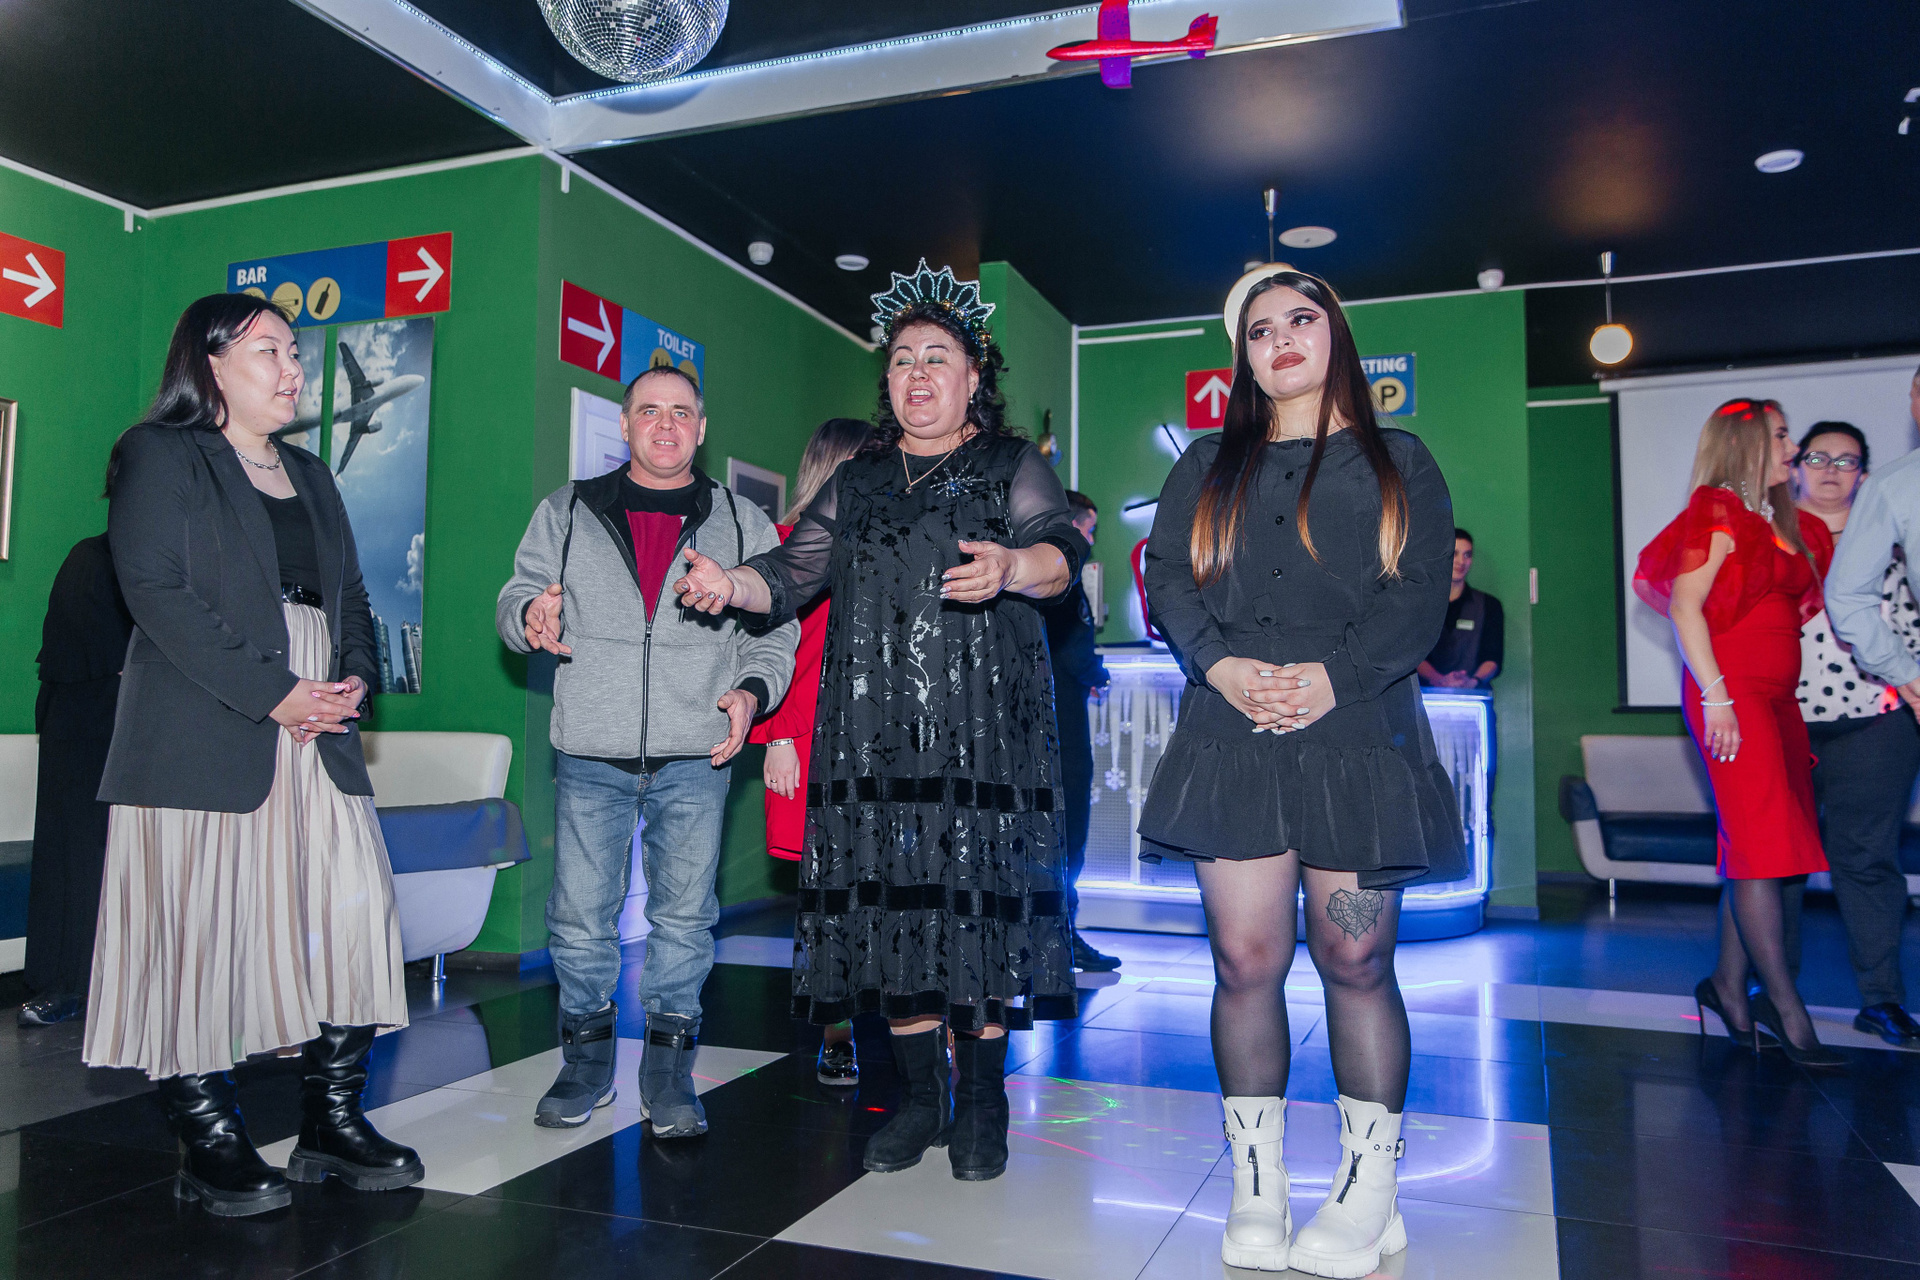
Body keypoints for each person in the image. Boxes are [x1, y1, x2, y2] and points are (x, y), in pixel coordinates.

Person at [673, 259, 1083, 1184]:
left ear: (974, 376)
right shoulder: (858, 480)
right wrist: (730, 583)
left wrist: (1015, 568)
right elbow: (792, 574)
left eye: (937, 358)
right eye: (902, 360)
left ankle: (983, 1102)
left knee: (974, 916)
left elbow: (1060, 550)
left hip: (983, 736)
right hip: (875, 735)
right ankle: (922, 1099)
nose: (918, 374)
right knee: (896, 916)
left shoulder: (1009, 465)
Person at [1140, 267, 1465, 1278]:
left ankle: (1371, 1190)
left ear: (1336, 336)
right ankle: (1258, 1185)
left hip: (1357, 744)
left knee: (1355, 955)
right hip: (1232, 742)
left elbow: (1420, 592)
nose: (1281, 338)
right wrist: (1221, 667)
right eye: (1260, 329)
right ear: (1242, 356)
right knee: (1244, 960)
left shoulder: (1400, 459)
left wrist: (1335, 679)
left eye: (1301, 319)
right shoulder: (1207, 463)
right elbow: (1167, 576)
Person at [85, 293, 420, 1217]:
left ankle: (332, 1119)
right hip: (205, 717)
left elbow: (352, 597)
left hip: (320, 721)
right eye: (270, 349)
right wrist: (276, 694)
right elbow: (153, 589)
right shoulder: (160, 453)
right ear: (211, 362)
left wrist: (352, 684)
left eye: (295, 352)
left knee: (356, 908)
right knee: (197, 929)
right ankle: (209, 1137)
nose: (293, 368)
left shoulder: (311, 472)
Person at [496, 366, 798, 1139]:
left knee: (685, 918)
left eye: (682, 413)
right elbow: (518, 593)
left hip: (698, 751)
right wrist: (528, 615)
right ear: (625, 425)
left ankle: (667, 1075)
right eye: (650, 411)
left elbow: (775, 628)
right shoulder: (567, 510)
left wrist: (751, 694)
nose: (666, 425)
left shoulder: (743, 521)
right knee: (578, 918)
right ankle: (586, 1065)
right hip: (590, 752)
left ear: (702, 429)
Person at [1634, 397, 1846, 1069]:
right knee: (1762, 849)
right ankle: (1785, 1009)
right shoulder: (1718, 510)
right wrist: (1718, 697)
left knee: (1759, 849)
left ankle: (1727, 985)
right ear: (1746, 443)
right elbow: (1686, 608)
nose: (1793, 448)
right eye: (1782, 436)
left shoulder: (1780, 522)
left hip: (1778, 702)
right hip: (1733, 697)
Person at [748, 416, 875, 1084]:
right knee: (827, 894)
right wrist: (778, 737)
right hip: (807, 737)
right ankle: (837, 1029)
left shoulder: (884, 544)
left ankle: (921, 1023)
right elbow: (771, 653)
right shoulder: (784, 542)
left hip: (880, 742)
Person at [1817, 403, 1920, 1045]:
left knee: (1865, 857)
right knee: (1772, 861)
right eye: (1817, 457)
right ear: (1795, 467)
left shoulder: (1895, 524)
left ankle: (1881, 999)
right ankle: (1764, 989)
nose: (1831, 469)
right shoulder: (1763, 536)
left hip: (1879, 714)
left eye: (1847, 459)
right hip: (1783, 717)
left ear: (1863, 472)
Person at [19, 533, 132, 1027]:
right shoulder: (96, 559)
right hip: (92, 718)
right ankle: (73, 983)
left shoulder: (110, 557)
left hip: (113, 718)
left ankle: (80, 983)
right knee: (81, 853)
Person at [1041, 490, 1118, 973]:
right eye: (1088, 529)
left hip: (1049, 719)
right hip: (1063, 726)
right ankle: (1060, 938)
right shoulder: (1061, 577)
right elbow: (1072, 644)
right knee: (1068, 830)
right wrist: (1098, 674)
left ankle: (1054, 936)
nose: (1089, 540)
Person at [1417, 528, 1503, 689]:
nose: (1461, 562)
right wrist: (1440, 681)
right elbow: (1413, 653)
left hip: (1473, 697)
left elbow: (1493, 658)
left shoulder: (1490, 605)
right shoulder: (1421, 603)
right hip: (1426, 695)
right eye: (1454, 553)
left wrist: (1471, 682)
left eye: (1467, 555)